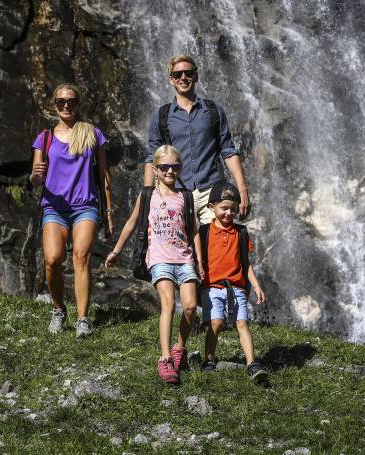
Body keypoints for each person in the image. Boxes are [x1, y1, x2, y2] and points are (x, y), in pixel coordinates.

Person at [104, 145, 203, 384]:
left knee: (190, 307)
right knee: (168, 304)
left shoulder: (185, 196)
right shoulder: (147, 195)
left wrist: (200, 260)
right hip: (159, 258)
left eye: (175, 167)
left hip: (184, 257)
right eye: (164, 167)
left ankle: (180, 348)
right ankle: (165, 359)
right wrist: (116, 250)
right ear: (155, 170)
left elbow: (194, 231)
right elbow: (130, 223)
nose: (170, 171)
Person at [29, 83, 114, 338]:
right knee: (53, 259)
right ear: (54, 105)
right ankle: (58, 309)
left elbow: (103, 175)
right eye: (61, 102)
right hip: (54, 207)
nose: (66, 106)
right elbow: (35, 179)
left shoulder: (92, 134)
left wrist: (109, 212)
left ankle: (82, 319)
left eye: (71, 101)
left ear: (79, 103)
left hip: (85, 206)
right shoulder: (44, 138)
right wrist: (35, 175)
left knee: (81, 256)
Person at [145, 54, 250, 225]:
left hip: (211, 190)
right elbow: (152, 158)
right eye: (178, 75)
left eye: (188, 73)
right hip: (175, 192)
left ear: (196, 76)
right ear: (171, 79)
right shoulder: (161, 116)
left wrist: (242, 188)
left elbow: (228, 150)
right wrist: (148, 196)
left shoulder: (213, 110)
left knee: (215, 247)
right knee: (178, 248)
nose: (183, 78)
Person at [199, 181, 267, 382]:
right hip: (212, 287)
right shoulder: (204, 232)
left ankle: (252, 363)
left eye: (233, 209)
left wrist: (255, 285)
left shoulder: (241, 233)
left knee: (242, 323)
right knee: (216, 322)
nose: (228, 213)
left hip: (236, 287)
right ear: (211, 207)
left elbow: (246, 263)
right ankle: (209, 359)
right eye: (224, 208)